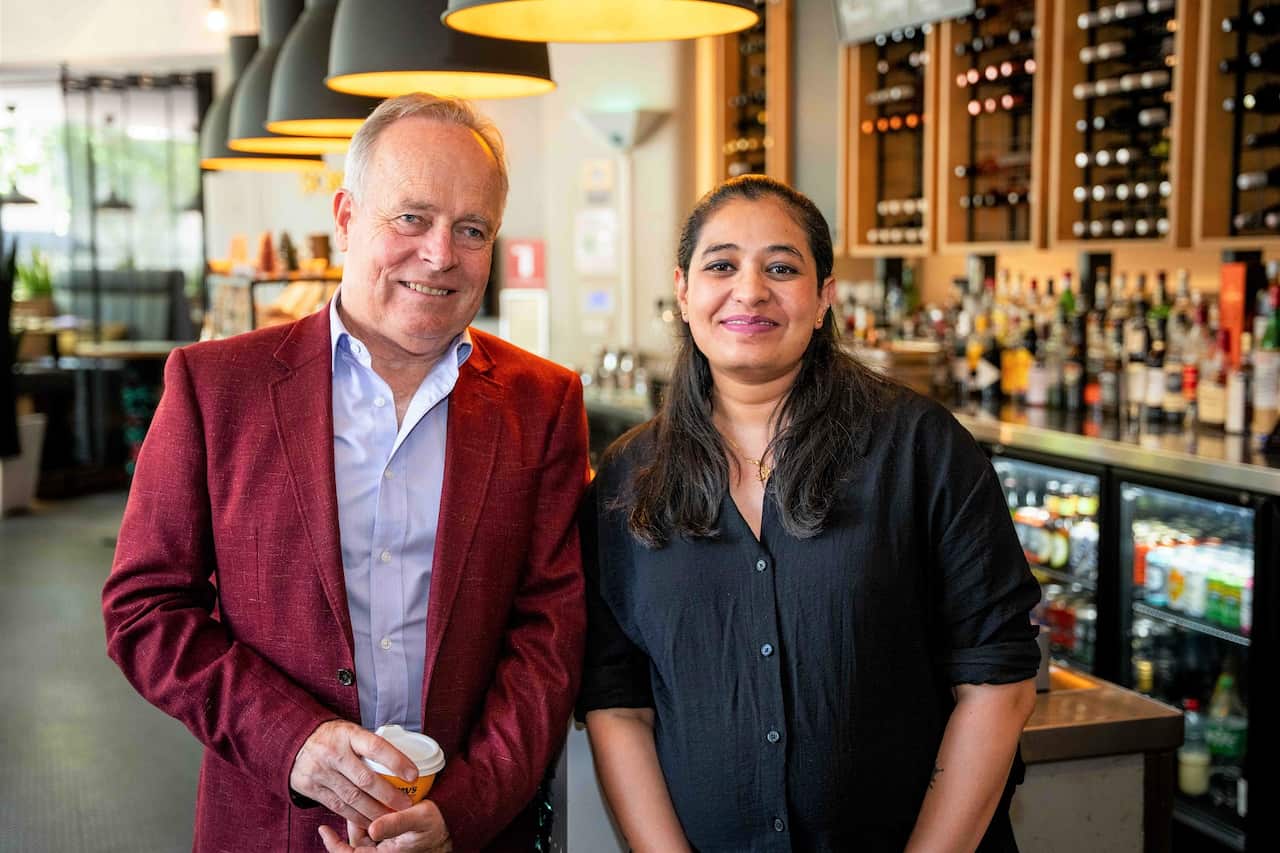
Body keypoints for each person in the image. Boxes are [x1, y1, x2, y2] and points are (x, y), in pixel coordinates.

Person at [103, 94, 589, 853]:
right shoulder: (214, 388)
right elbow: (145, 608)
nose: (440, 254)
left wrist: (462, 807)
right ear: (346, 216)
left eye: (472, 230)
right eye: (411, 218)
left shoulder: (545, 402)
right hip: (273, 824)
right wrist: (294, 741)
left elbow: (548, 634)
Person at [577, 175, 1041, 852]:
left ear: (824, 295)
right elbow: (616, 697)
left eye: (782, 267)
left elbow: (999, 680)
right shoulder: (626, 478)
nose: (750, 290)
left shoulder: (922, 449)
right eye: (721, 265)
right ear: (684, 291)